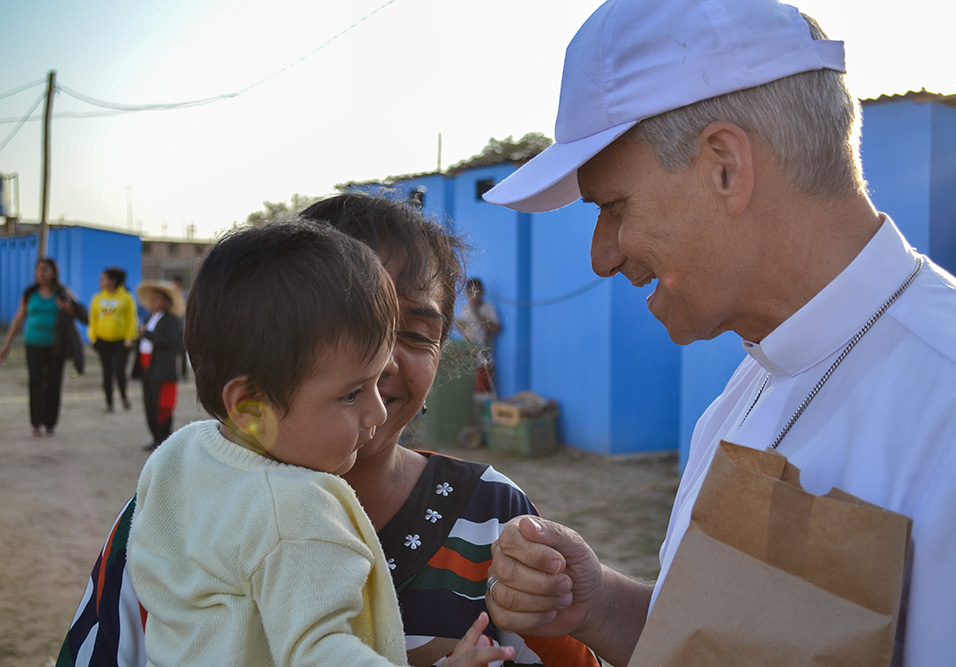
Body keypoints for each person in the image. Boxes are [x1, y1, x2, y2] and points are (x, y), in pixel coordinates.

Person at [481, 1, 956, 666]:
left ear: (725, 165)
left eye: (614, 208)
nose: (602, 256)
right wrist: (603, 606)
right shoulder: (749, 388)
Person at [57, 193, 599, 667]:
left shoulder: (493, 520)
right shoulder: (175, 513)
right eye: (349, 330)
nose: (381, 362)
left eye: (412, 333)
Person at [124, 219, 514, 666]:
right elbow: (322, 653)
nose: (378, 412)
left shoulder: (181, 453)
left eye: (419, 336)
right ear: (250, 408)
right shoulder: (297, 508)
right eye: (351, 394)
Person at [0, 257, 88, 436]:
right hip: (33, 344)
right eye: (38, 270)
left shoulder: (63, 292)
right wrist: (7, 344)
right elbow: (19, 318)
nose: (41, 273)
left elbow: (78, 313)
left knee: (54, 383)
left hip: (56, 346)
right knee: (36, 381)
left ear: (54, 272)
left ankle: (50, 423)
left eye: (45, 270)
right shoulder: (30, 293)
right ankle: (36, 423)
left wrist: (65, 307)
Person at [134, 280, 185, 452]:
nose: (152, 303)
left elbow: (171, 342)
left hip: (162, 369)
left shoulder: (172, 320)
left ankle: (163, 437)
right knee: (149, 404)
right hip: (147, 367)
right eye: (152, 299)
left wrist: (147, 334)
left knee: (162, 405)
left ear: (166, 302)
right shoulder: (150, 318)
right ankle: (155, 436)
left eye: (156, 299)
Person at [88, 267, 138, 413]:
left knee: (120, 371)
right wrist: (93, 337)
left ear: (113, 281)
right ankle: (109, 403)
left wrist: (130, 337)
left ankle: (124, 397)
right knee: (107, 373)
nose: (100, 281)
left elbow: (132, 319)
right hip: (103, 341)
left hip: (121, 341)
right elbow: (93, 319)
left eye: (103, 278)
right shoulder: (97, 298)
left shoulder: (126, 297)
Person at [455, 277, 501, 395]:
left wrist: (478, 314)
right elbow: (465, 332)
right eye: (470, 292)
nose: (473, 296)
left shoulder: (487, 307)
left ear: (482, 292)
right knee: (468, 392)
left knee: (482, 392)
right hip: (469, 358)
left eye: (476, 292)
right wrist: (460, 326)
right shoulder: (466, 308)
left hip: (484, 358)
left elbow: (496, 328)